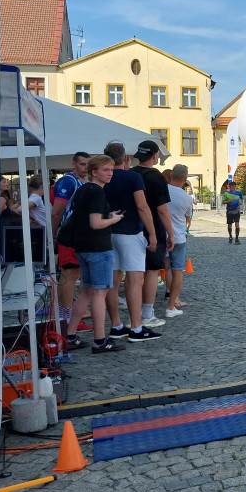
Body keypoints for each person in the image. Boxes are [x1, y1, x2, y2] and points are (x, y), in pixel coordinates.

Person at [65, 154, 125, 353]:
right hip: (98, 248)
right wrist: (113, 220)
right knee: (99, 295)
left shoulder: (83, 189)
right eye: (105, 170)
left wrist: (108, 216)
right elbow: (96, 223)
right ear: (94, 172)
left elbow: (88, 218)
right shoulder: (97, 192)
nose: (110, 174)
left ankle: (70, 336)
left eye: (111, 170)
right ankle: (100, 341)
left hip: (83, 247)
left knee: (86, 293)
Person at [102, 141, 160, 343]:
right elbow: (143, 207)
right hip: (130, 232)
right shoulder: (133, 177)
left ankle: (117, 325)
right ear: (125, 159)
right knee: (135, 280)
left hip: (108, 232)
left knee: (113, 281)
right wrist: (152, 233)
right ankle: (136, 327)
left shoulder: (102, 178)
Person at [130, 140, 174, 328]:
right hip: (152, 228)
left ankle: (135, 314)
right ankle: (147, 313)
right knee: (151, 271)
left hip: (131, 228)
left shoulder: (130, 174)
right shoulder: (156, 177)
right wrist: (171, 233)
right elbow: (162, 209)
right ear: (155, 156)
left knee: (133, 273)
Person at [50, 152, 90, 332]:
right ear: (73, 164)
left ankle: (70, 315)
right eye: (82, 164)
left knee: (76, 274)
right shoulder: (69, 181)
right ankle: (64, 318)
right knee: (69, 274)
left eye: (88, 164)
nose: (85, 168)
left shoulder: (80, 181)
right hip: (68, 233)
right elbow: (57, 211)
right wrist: (53, 234)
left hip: (78, 233)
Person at [165, 164, 194, 317]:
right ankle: (173, 304)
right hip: (178, 236)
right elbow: (187, 217)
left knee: (158, 269)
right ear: (185, 179)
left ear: (171, 176)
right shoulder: (186, 198)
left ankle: (146, 308)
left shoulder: (161, 191)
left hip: (160, 235)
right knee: (177, 270)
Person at [222, 179, 243, 243]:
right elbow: (223, 202)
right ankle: (230, 236)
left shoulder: (239, 193)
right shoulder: (227, 194)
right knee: (229, 225)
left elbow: (241, 199)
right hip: (229, 211)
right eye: (230, 186)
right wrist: (228, 201)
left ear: (235, 187)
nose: (231, 187)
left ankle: (237, 238)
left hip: (236, 211)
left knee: (237, 224)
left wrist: (240, 202)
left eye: (233, 186)